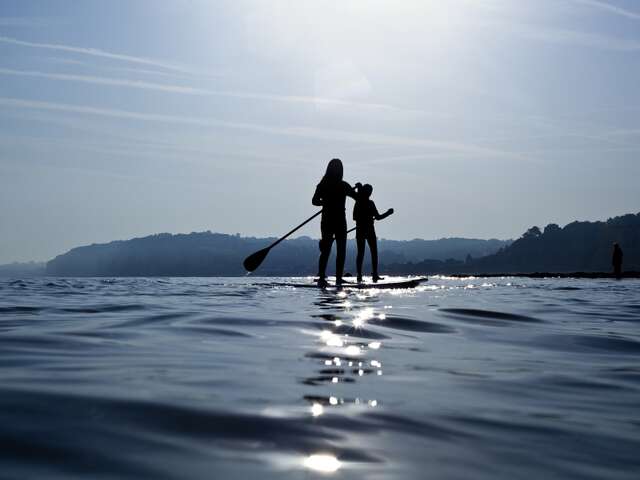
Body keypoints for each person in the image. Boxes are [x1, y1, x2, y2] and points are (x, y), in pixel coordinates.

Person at [312, 158, 358, 286]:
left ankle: (338, 278)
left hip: (338, 220)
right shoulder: (324, 185)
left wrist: (358, 190)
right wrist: (325, 203)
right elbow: (314, 201)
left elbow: (357, 198)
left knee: (340, 249)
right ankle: (322, 276)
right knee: (327, 249)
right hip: (329, 220)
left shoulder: (343, 185)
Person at [353, 183, 393, 283]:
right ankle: (360, 275)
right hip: (363, 230)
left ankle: (374, 274)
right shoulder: (361, 203)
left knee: (372, 252)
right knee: (362, 253)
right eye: (369, 191)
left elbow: (378, 217)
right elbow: (355, 217)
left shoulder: (367, 203)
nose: (370, 193)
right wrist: (388, 213)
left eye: (371, 192)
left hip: (368, 230)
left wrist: (387, 213)